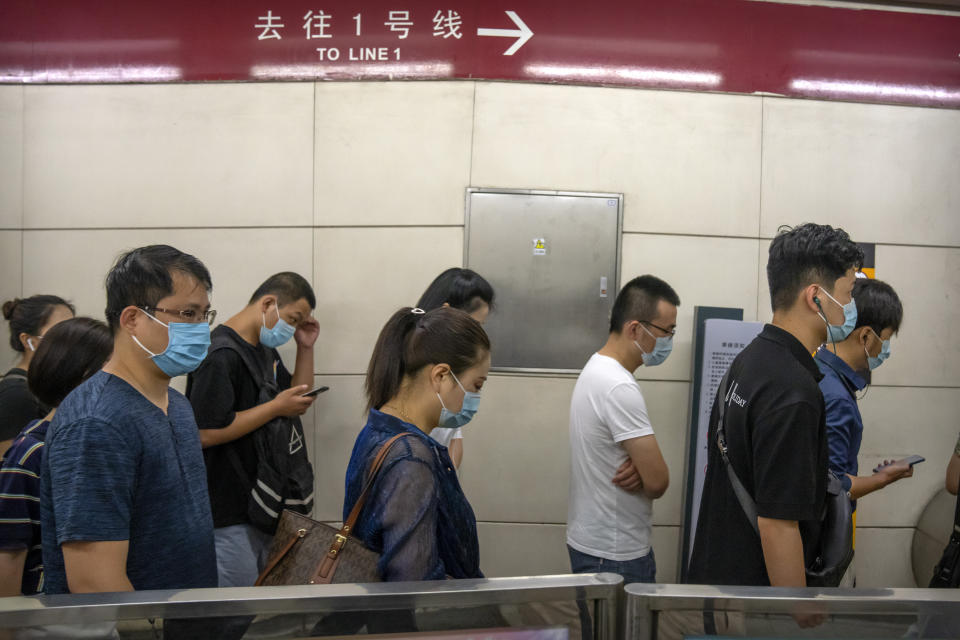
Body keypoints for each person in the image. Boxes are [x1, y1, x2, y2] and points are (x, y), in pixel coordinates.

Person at [688, 224, 863, 602]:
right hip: (755, 607)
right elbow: (778, 524)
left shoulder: (750, 361)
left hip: (717, 584)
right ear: (815, 297)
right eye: (847, 294)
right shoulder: (794, 391)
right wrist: (797, 614)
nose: (851, 308)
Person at [40, 244, 218, 594]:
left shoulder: (178, 404)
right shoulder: (96, 422)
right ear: (133, 319)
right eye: (187, 313)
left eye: (204, 315)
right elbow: (95, 583)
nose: (200, 329)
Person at [186, 272, 319, 588]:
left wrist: (306, 347)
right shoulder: (220, 354)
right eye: (293, 319)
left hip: (260, 505)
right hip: (228, 510)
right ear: (269, 303)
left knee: (252, 602)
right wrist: (275, 408)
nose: (293, 328)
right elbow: (203, 434)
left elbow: (297, 393)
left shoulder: (262, 348)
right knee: (233, 611)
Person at [345, 306, 489, 581]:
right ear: (441, 376)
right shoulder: (411, 457)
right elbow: (413, 583)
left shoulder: (378, 426)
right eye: (477, 385)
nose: (476, 397)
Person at [566, 275, 675, 585]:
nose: (669, 340)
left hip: (594, 542)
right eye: (666, 331)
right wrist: (647, 472)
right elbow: (658, 482)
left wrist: (643, 469)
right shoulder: (618, 386)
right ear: (634, 329)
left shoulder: (596, 367)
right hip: (615, 554)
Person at [0, 318, 112, 597]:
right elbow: (8, 557)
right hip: (42, 619)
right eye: (114, 372)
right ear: (83, 376)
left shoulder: (101, 444)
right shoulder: (31, 453)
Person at [415, 268, 495, 468]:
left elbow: (453, 436)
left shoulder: (451, 365)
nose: (477, 337)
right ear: (447, 313)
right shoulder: (417, 370)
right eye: (474, 325)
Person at [0, 296, 75, 453]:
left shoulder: (50, 387)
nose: (72, 340)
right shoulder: (16, 394)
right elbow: (11, 468)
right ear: (29, 341)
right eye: (61, 332)